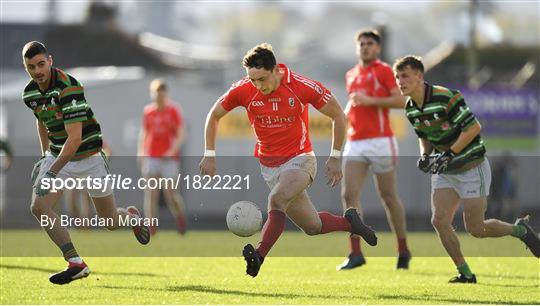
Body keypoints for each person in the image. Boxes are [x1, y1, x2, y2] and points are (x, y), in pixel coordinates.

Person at [199, 43, 378, 278]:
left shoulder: (300, 86)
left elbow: (338, 115)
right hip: (269, 167)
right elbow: (214, 115)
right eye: (252, 80)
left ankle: (259, 255)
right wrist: (209, 154)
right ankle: (351, 223)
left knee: (277, 199)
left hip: (300, 159)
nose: (257, 86)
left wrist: (335, 157)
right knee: (313, 227)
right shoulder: (244, 89)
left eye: (261, 79)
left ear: (275, 70)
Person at [393, 55, 540, 283]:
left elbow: (473, 128)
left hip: (472, 167)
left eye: (405, 76)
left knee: (476, 228)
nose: (400, 81)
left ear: (419, 76)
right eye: (397, 77)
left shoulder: (446, 96)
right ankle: (465, 272)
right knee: (439, 220)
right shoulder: (411, 108)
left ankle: (519, 230)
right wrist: (425, 155)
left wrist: (449, 154)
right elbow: (425, 136)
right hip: (445, 171)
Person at [21, 41, 150, 285]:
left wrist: (51, 172)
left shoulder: (68, 87)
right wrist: (43, 156)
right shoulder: (29, 93)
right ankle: (75, 262)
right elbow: (41, 121)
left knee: (110, 222)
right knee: (38, 207)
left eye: (40, 64)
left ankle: (131, 218)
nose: (37, 71)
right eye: (31, 67)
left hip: (88, 157)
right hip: (59, 155)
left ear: (50, 61)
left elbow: (75, 138)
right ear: (25, 67)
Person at [339, 29, 411, 271]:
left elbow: (401, 101)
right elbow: (354, 103)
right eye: (361, 43)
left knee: (388, 197)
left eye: (370, 43)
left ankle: (403, 249)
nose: (365, 47)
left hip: (381, 140)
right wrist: (347, 114)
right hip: (356, 141)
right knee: (349, 195)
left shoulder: (384, 71)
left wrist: (371, 101)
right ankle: (355, 253)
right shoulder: (350, 74)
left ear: (377, 48)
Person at [138, 79, 187, 235]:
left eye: (162, 92)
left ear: (166, 93)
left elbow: (181, 134)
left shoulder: (174, 110)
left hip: (169, 158)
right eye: (157, 92)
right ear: (153, 94)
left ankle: (180, 219)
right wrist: (141, 152)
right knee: (151, 193)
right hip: (152, 156)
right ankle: (151, 228)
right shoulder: (148, 111)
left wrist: (172, 151)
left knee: (170, 194)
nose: (159, 95)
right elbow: (144, 133)